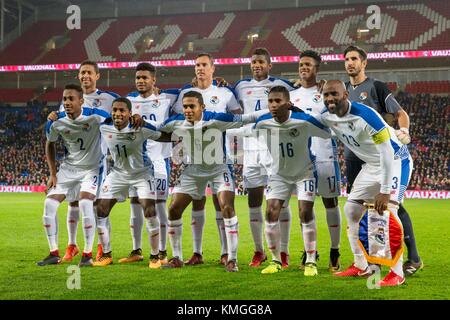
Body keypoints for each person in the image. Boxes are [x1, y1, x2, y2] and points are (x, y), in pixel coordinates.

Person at [159, 91, 265, 272]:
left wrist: (274, 109)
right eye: (185, 106)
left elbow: (248, 117)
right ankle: (177, 257)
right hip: (192, 171)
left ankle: (232, 259)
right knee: (174, 208)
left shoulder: (216, 119)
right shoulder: (175, 122)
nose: (188, 110)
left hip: (219, 169)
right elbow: (156, 130)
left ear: (202, 107)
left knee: (227, 208)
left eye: (192, 106)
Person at [320, 80, 412, 286]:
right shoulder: (326, 116)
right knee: (351, 210)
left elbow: (387, 151)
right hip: (371, 165)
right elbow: (308, 121)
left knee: (388, 212)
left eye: (334, 94)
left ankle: (397, 273)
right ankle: (361, 265)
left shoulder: (366, 115)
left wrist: (385, 190)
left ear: (345, 94)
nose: (329, 99)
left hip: (396, 160)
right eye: (326, 95)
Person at [343, 45, 422, 275]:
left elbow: (400, 114)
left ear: (364, 62)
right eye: (347, 59)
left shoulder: (376, 87)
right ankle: (369, 263)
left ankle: (412, 258)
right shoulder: (344, 91)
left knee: (392, 207)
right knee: (358, 209)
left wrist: (404, 130)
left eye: (354, 59)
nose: (350, 63)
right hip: (356, 160)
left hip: (385, 157)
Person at [173, 53, 242, 266]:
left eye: (204, 65)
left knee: (220, 204)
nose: (200, 68)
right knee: (196, 202)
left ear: (213, 68)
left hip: (218, 157)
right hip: (194, 161)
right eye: (197, 65)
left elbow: (238, 118)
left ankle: (226, 253)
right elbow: (176, 119)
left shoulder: (224, 92)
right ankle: (196, 253)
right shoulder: (185, 92)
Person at [255, 86, 332, 276]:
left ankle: (311, 262)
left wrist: (306, 114)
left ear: (288, 103)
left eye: (277, 101)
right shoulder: (262, 122)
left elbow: (326, 132)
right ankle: (275, 260)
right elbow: (246, 129)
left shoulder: (302, 120)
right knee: (271, 212)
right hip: (279, 174)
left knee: (305, 212)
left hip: (304, 172)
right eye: (271, 101)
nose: (273, 105)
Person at [231, 47, 296, 268]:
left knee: (281, 200)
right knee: (253, 199)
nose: (257, 65)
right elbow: (227, 100)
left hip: (274, 147)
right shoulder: (240, 86)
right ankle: (259, 251)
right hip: (250, 148)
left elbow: (300, 98)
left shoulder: (283, 85)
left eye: (261, 62)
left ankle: (284, 251)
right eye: (253, 62)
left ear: (270, 65)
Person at [53, 60, 120, 263]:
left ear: (97, 76)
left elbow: (124, 113)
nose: (85, 76)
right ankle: (72, 245)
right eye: (82, 73)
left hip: (99, 160)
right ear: (78, 76)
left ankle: (102, 247)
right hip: (75, 160)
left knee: (97, 205)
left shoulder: (109, 99)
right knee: (73, 202)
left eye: (89, 73)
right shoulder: (67, 100)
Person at [93, 97, 171, 268]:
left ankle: (154, 256)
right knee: (100, 208)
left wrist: (183, 134)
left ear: (129, 113)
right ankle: (106, 254)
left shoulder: (140, 127)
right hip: (118, 174)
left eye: (122, 110)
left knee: (149, 210)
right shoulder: (104, 126)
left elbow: (164, 136)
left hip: (142, 174)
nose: (117, 113)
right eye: (115, 110)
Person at [37, 84, 110, 267]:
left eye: (71, 99)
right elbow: (50, 143)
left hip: (92, 168)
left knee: (86, 202)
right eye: (65, 99)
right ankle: (53, 253)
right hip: (69, 169)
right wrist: (53, 173)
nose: (67, 102)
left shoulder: (95, 116)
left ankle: (87, 254)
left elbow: (115, 122)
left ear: (81, 101)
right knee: (49, 204)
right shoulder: (56, 121)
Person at [118, 62, 179, 265]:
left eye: (145, 78)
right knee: (135, 206)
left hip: (159, 160)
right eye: (138, 78)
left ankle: (162, 252)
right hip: (135, 163)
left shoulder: (167, 97)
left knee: (159, 206)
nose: (141, 81)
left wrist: (217, 82)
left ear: (154, 80)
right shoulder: (128, 101)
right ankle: (136, 250)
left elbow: (192, 90)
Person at [290, 50, 342, 271]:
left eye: (308, 64)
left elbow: (330, 121)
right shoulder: (291, 95)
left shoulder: (326, 92)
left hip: (325, 157)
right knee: (304, 209)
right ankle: (310, 250)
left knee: (330, 203)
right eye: (301, 64)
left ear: (317, 68)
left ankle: (334, 250)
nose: (304, 68)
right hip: (302, 159)